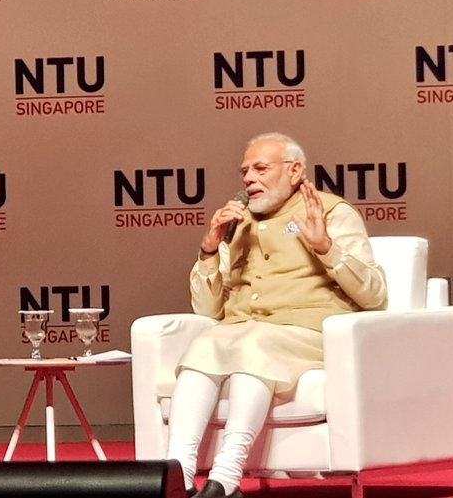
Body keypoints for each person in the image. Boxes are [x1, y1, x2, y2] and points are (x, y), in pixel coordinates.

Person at [165, 133, 388, 498]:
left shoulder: (331, 212)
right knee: (202, 346)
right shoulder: (237, 223)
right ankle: (178, 474)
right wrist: (209, 250)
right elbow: (207, 310)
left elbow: (375, 294)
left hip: (306, 332)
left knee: (255, 345)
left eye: (260, 168)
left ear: (295, 171)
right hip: (243, 330)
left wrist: (326, 248)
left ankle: (226, 476)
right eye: (245, 171)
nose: (249, 178)